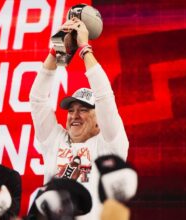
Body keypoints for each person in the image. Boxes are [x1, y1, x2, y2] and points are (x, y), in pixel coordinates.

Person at [29, 17, 129, 219]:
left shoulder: (109, 145)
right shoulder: (54, 140)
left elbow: (104, 97)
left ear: (99, 120)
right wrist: (57, 49)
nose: (74, 115)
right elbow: (38, 99)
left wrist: (84, 48)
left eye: (84, 110)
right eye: (71, 109)